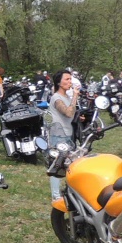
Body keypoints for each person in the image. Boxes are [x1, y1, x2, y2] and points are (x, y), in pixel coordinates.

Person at [47, 69, 79, 200]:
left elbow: (69, 115)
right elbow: (68, 113)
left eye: (70, 79)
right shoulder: (56, 98)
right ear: (59, 83)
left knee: (70, 164)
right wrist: (75, 96)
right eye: (67, 79)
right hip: (58, 135)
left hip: (67, 133)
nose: (70, 82)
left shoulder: (66, 97)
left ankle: (69, 191)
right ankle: (56, 196)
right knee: (57, 165)